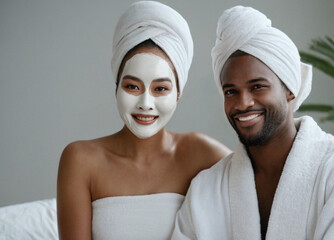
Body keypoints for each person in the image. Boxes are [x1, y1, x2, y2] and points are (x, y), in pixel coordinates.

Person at [172, 5, 334, 240]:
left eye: (257, 86)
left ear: (290, 89)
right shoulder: (206, 190)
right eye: (231, 91)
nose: (243, 103)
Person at [56, 1, 231, 239]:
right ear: (116, 88)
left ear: (178, 93)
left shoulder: (200, 152)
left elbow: (259, 181)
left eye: (160, 88)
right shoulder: (81, 160)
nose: (146, 103)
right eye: (132, 86)